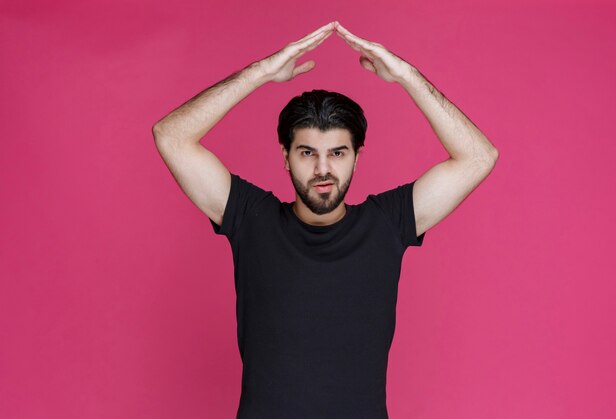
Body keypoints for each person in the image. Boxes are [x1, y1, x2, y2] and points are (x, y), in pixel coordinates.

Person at [153, 21, 498, 419]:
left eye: (337, 153)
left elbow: (479, 156)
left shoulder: (388, 223)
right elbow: (171, 135)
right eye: (307, 153)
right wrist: (262, 72)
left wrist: (406, 76)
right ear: (285, 156)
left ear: (356, 156)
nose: (322, 169)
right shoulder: (251, 218)